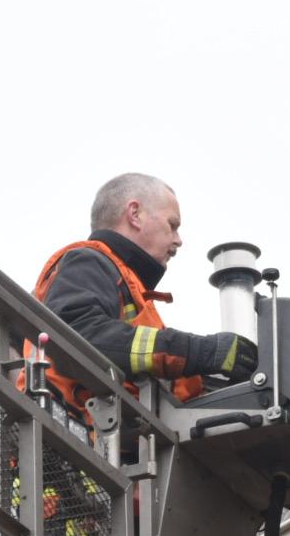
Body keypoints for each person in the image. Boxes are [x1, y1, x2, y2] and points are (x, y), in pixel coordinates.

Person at [22, 173, 257, 419]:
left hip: (108, 433)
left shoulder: (129, 288)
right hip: (65, 432)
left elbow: (155, 365)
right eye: (172, 225)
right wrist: (201, 351)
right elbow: (78, 336)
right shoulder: (88, 261)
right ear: (135, 214)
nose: (178, 240)